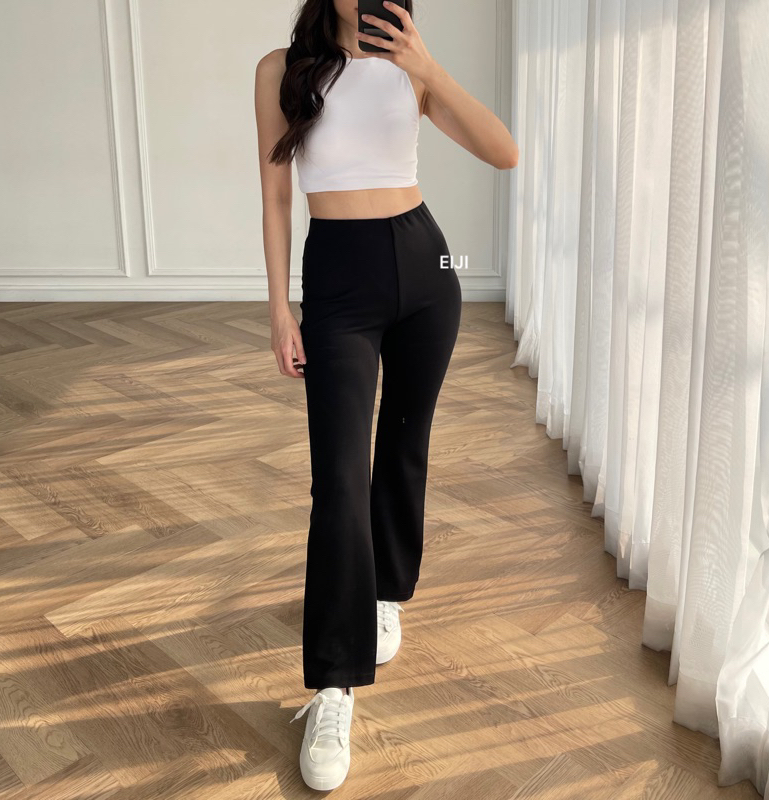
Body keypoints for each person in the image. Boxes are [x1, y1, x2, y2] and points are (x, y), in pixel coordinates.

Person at [254, 0, 518, 789]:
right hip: (338, 277)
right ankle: (333, 688)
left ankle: (387, 592)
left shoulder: (412, 63)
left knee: (405, 445)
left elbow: (505, 153)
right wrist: (279, 308)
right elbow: (275, 196)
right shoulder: (281, 71)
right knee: (338, 481)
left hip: (428, 266)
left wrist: (428, 69)